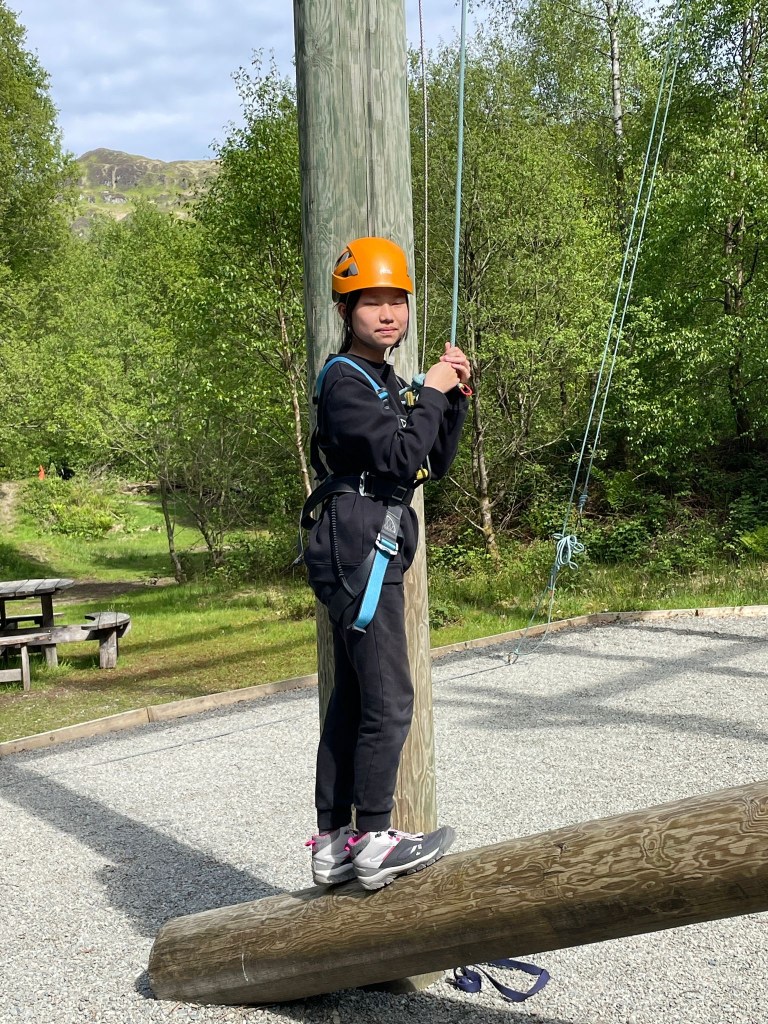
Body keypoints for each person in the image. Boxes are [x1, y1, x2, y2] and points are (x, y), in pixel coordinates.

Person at [303, 236, 471, 891]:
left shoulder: (386, 383)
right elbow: (400, 459)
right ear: (346, 311)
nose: (386, 313)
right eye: (370, 301)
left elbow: (431, 461)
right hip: (358, 547)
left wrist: (450, 397)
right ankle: (373, 837)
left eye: (395, 300)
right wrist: (429, 393)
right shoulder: (345, 381)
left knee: (354, 698)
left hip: (367, 541)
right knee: (391, 697)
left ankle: (334, 841)